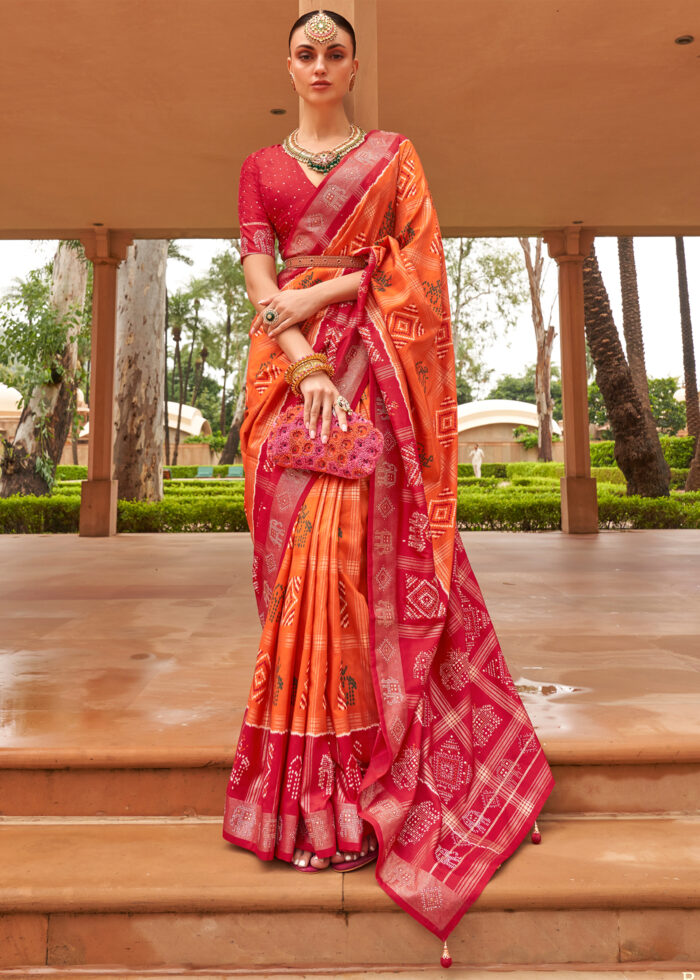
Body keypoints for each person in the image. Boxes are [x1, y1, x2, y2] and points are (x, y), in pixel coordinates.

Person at [222, 8, 555, 963]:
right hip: (288, 379)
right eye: (304, 52)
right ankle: (301, 794)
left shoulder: (393, 157)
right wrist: (304, 359)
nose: (319, 64)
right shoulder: (259, 165)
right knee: (300, 580)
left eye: (334, 52)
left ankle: (366, 774)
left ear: (355, 63)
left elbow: (411, 272)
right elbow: (257, 273)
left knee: (361, 569)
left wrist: (324, 297)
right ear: (286, 64)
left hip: (375, 370)